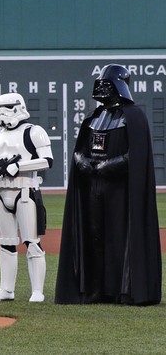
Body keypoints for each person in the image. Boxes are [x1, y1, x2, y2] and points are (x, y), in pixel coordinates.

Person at [55, 64, 162, 305]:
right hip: (92, 188)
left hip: (120, 191)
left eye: (107, 84)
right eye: (100, 83)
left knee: (119, 236)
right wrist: (82, 162)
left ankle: (121, 289)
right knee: (94, 236)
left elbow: (137, 155)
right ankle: (94, 288)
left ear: (119, 86)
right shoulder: (93, 118)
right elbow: (79, 151)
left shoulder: (133, 117)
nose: (102, 88)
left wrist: (109, 166)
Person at [0, 93, 53, 303]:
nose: (2, 112)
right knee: (5, 242)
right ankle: (6, 289)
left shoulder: (34, 132)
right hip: (0, 192)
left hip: (25, 190)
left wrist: (19, 166)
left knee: (32, 242)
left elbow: (47, 160)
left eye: (7, 107)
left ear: (18, 107)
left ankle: (37, 291)